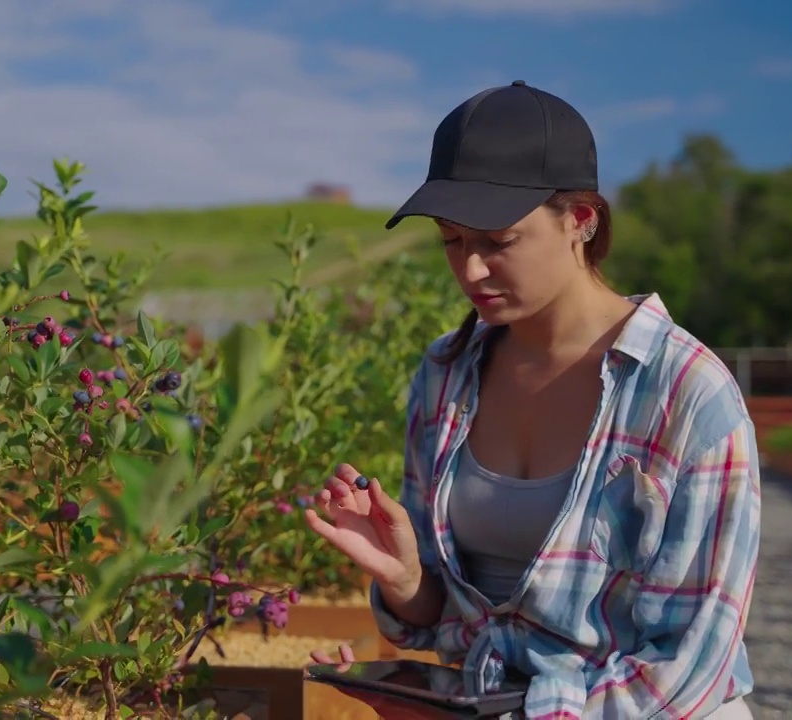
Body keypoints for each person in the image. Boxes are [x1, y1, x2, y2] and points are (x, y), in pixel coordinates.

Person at [305, 80, 761, 719]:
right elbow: (447, 622)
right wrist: (408, 581)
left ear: (581, 219)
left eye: (497, 241)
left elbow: (689, 660)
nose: (470, 271)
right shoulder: (445, 374)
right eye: (451, 241)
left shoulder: (686, 396)